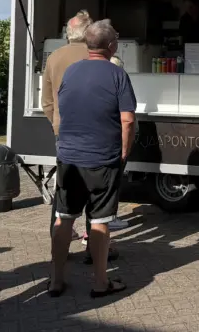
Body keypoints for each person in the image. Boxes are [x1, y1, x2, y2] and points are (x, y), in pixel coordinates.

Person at [48, 19, 136, 299]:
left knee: (64, 219)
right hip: (102, 158)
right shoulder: (116, 74)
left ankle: (55, 280)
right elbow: (128, 120)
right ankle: (100, 282)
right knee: (99, 221)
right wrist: (124, 151)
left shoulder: (71, 72)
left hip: (69, 157)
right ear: (112, 46)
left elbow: (61, 106)